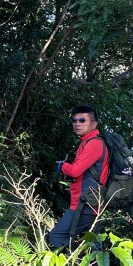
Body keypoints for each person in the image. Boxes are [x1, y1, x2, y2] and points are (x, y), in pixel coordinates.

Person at [47, 105, 110, 250]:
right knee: (93, 247)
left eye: (82, 120)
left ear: (94, 124)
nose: (77, 124)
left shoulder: (94, 144)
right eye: (74, 120)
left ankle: (67, 263)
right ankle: (84, 263)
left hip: (85, 205)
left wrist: (62, 166)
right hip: (90, 203)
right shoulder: (86, 142)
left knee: (56, 237)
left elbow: (75, 171)